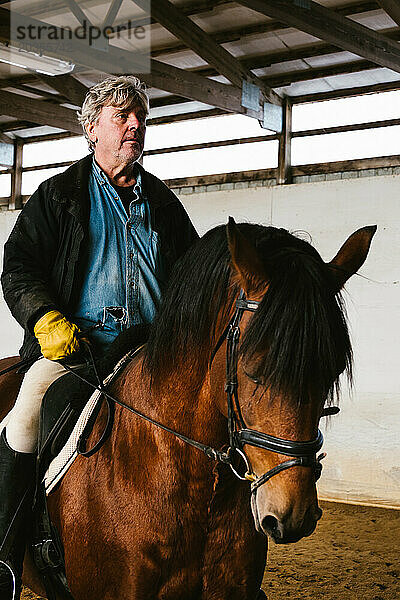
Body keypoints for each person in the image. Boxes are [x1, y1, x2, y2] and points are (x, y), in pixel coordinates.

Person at [0, 75, 199, 598]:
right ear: (91, 129)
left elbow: (194, 280)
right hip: (76, 352)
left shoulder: (165, 206)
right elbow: (18, 266)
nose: (135, 125)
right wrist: (44, 318)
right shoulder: (58, 197)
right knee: (23, 417)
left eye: (141, 118)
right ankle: (5, 559)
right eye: (121, 116)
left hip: (153, 359)